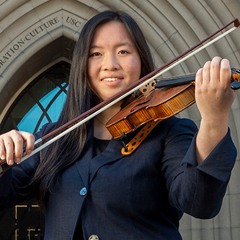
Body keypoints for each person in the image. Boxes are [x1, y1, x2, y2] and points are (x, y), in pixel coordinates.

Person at [0, 10, 237, 240]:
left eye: (123, 51)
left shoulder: (169, 132)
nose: (110, 64)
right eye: (96, 54)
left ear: (142, 61)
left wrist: (214, 119)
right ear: (82, 64)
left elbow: (198, 202)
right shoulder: (55, 137)